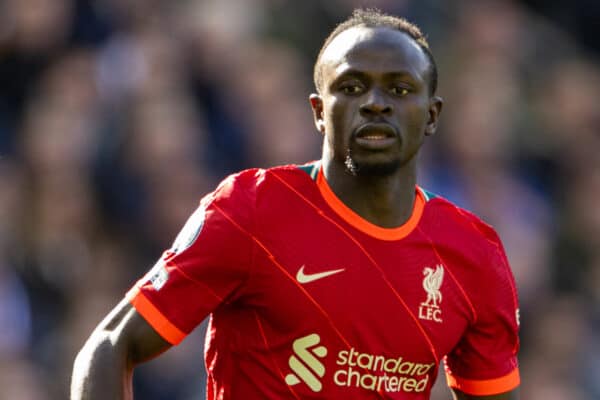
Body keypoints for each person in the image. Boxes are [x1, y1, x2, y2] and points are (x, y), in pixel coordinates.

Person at [71, 8, 520, 400]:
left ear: (432, 115)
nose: (375, 105)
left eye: (399, 89)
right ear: (318, 111)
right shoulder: (252, 210)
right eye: (352, 86)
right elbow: (111, 344)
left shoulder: (473, 256)